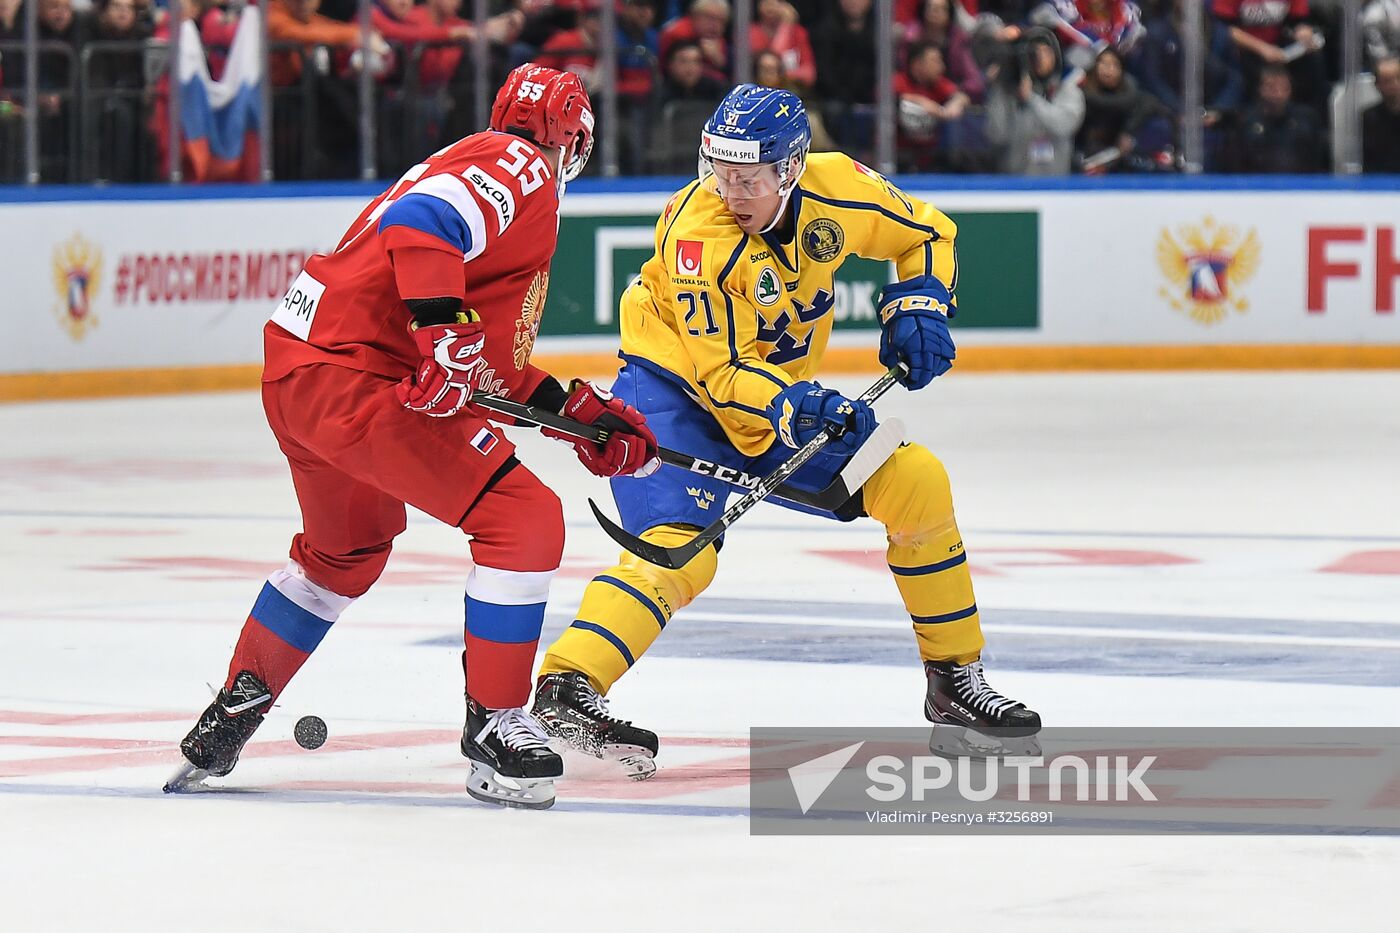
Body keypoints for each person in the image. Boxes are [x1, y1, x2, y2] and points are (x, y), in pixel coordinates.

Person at [166, 64, 659, 810]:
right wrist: (442, 332)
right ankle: (495, 725)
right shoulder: (517, 164)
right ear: (569, 140)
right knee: (522, 518)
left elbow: (485, 367)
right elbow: (423, 224)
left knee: (343, 554)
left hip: (303, 368)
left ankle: (234, 708)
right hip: (357, 377)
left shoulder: (483, 168)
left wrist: (583, 416)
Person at [531, 84, 1042, 780]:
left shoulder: (837, 191)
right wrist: (801, 406)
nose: (731, 192)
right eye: (720, 173)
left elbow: (927, 233)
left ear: (793, 167)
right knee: (680, 550)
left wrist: (921, 304)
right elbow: (723, 374)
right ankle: (568, 683)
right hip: (674, 393)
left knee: (916, 483)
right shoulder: (696, 237)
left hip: (782, 398)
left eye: (749, 178)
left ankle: (954, 682)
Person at [984, 26, 1085, 174]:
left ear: (1056, 55)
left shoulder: (1068, 91)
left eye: (1046, 52)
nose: (1040, 58)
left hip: (1057, 184)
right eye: (1034, 53)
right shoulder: (1010, 92)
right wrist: (998, 89)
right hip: (1015, 183)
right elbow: (997, 136)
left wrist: (1031, 99)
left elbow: (1063, 126)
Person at [1234, 62, 1325, 172]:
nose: (1278, 93)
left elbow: (1317, 159)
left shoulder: (1307, 119)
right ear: (1260, 89)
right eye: (1272, 87)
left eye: (1284, 88)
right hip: (1258, 185)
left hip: (1301, 185)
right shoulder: (1246, 122)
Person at [1363, 55, 1400, 173]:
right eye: (1387, 81)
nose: (1394, 85)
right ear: (1377, 85)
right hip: (1379, 182)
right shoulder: (1368, 118)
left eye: (1398, 79)